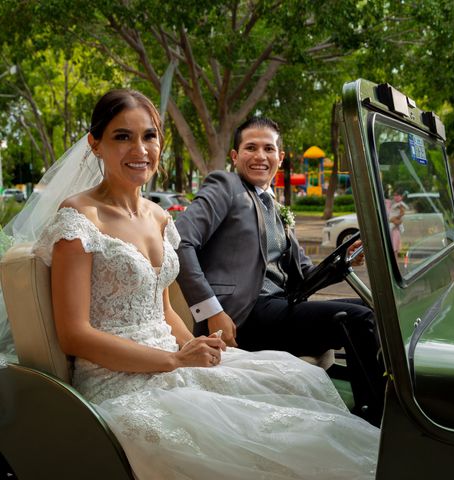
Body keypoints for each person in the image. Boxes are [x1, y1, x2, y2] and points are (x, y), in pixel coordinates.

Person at [16, 89, 378, 479]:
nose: (139, 148)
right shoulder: (79, 217)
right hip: (118, 381)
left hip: (174, 360)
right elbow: (75, 336)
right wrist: (174, 359)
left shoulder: (158, 217)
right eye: (123, 136)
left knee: (299, 381)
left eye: (149, 136)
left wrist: (190, 344)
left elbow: (164, 308)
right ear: (95, 144)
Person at [175, 117, 385, 425]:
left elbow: (305, 274)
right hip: (242, 316)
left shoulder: (275, 205)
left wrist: (345, 262)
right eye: (251, 147)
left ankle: (387, 399)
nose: (260, 156)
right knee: (358, 320)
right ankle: (376, 415)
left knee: (372, 309)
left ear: (280, 158)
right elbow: (180, 241)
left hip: (280, 309)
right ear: (235, 156)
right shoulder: (226, 186)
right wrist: (211, 311)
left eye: (268, 148)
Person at [388, 188, 408, 255]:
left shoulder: (400, 205)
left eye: (397, 195)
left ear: (401, 196)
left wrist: (395, 218)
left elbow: (402, 213)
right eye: (394, 195)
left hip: (396, 226)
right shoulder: (393, 204)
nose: (395, 197)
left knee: (395, 247)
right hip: (394, 225)